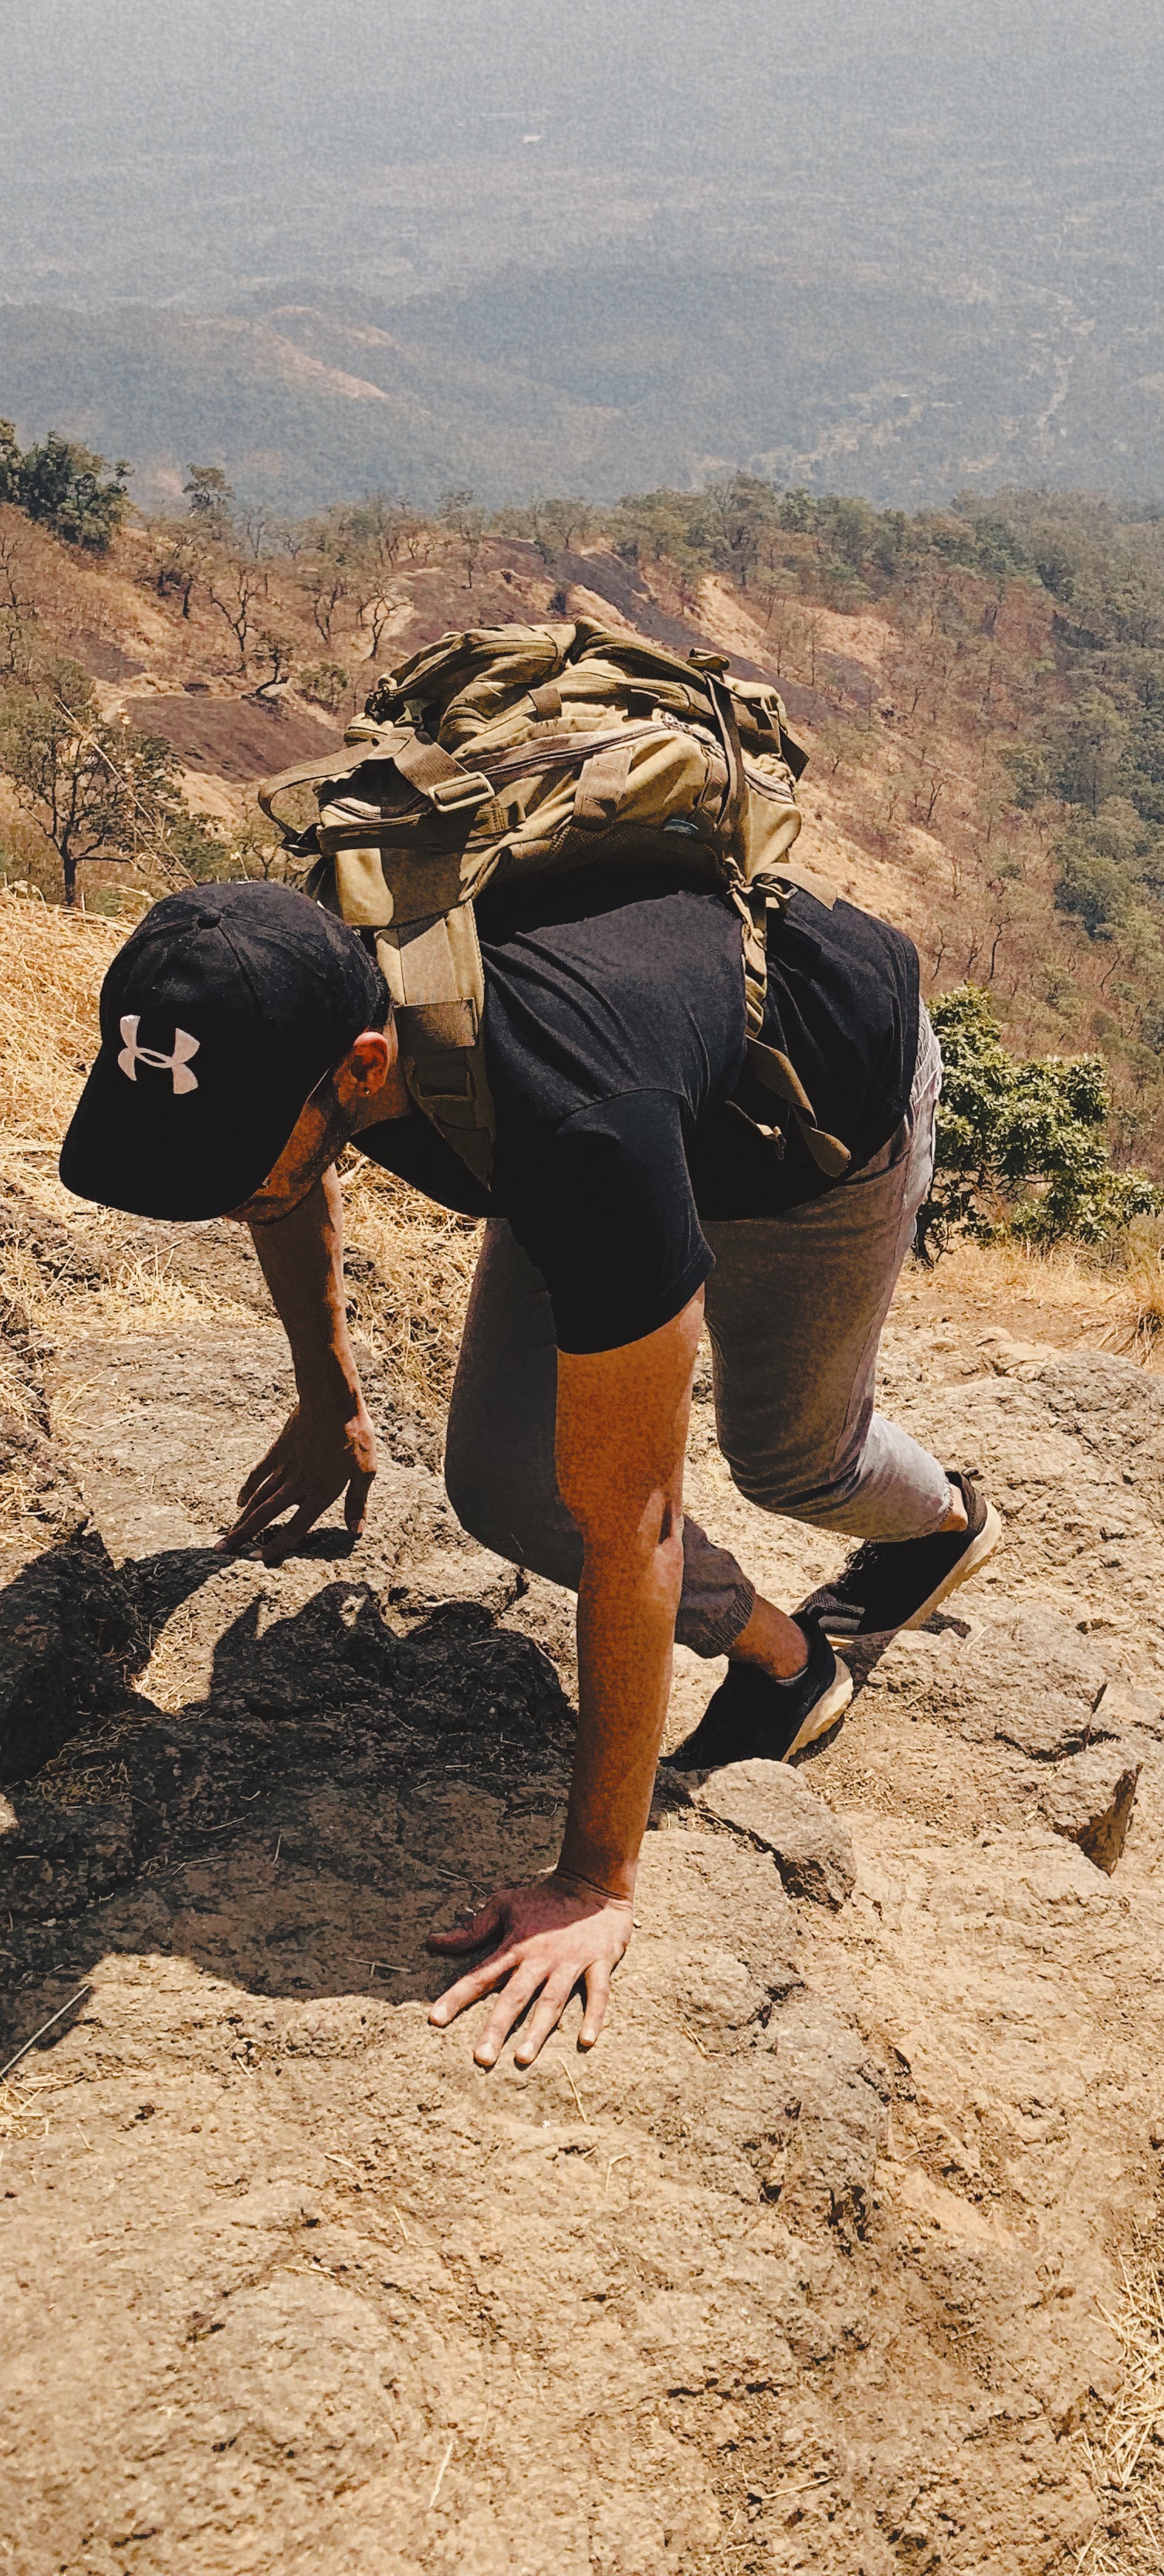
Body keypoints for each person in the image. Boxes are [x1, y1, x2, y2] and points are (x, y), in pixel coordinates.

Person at [57, 872, 991, 2073]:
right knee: (506, 1483)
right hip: (629, 1098)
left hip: (814, 1113)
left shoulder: (578, 1121)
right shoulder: (287, 992)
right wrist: (329, 1396)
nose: (219, 1189)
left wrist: (596, 1880)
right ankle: (796, 1662)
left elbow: (637, 1524)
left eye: (229, 1156)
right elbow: (279, 1178)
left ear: (357, 1069)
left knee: (793, 1457)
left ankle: (944, 1523)